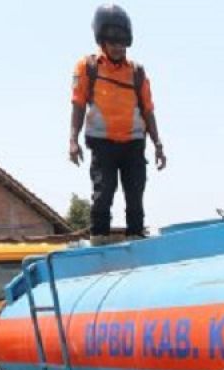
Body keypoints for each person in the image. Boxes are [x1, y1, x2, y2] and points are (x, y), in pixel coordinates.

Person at [68, 4, 166, 242]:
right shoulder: (88, 67)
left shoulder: (137, 72)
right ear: (101, 40)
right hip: (103, 144)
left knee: (135, 194)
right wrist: (73, 140)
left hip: (133, 143)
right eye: (113, 43)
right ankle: (99, 237)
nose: (118, 48)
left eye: (123, 43)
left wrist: (158, 144)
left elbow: (148, 110)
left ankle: (135, 236)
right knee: (104, 191)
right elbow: (78, 104)